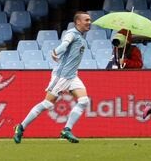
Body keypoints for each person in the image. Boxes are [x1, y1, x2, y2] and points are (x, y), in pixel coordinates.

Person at [13, 11, 92, 144]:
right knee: (47, 104)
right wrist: (56, 51)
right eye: (86, 20)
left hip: (72, 76)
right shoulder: (72, 33)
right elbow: (65, 44)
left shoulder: (81, 38)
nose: (89, 22)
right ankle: (21, 127)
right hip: (61, 76)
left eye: (90, 20)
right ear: (78, 22)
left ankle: (66, 129)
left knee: (84, 101)